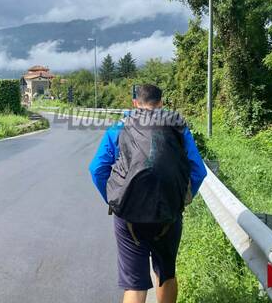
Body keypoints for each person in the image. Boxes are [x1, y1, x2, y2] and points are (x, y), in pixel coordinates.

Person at [89, 84, 207, 303]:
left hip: (128, 216)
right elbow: (198, 171)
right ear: (161, 103)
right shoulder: (178, 128)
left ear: (135, 103)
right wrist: (180, 201)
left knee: (134, 284)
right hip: (168, 215)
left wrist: (116, 200)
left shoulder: (119, 128)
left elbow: (97, 169)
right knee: (166, 275)